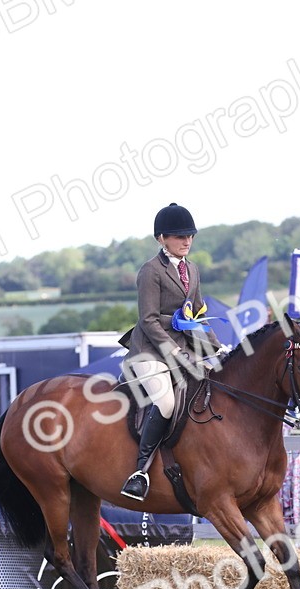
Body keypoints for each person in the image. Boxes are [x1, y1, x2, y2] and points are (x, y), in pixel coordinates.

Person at [117, 202, 225, 501]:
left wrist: (216, 347)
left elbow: (197, 314)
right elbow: (149, 320)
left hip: (186, 347)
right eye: (180, 236)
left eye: (190, 235)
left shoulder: (192, 268)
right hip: (149, 350)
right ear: (162, 238)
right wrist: (176, 352)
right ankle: (139, 472)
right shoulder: (151, 271)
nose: (187, 241)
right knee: (165, 401)